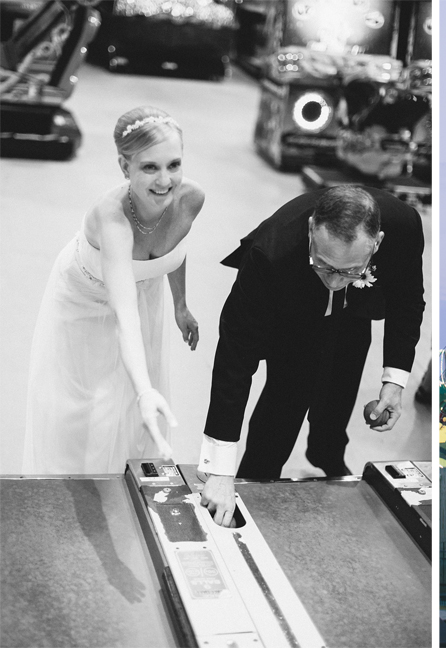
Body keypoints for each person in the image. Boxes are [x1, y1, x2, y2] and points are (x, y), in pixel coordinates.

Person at [199, 185, 425, 527]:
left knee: (342, 384)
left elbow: (408, 301)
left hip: (355, 312)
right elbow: (234, 359)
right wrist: (218, 468)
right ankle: (255, 475)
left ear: (376, 243)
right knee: (286, 396)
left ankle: (327, 452)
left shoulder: (404, 227)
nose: (334, 282)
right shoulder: (270, 254)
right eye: (324, 265)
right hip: (291, 303)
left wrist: (394, 382)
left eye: (347, 270)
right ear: (310, 230)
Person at [22, 106, 203, 474]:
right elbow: (125, 318)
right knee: (88, 407)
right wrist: (146, 391)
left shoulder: (191, 198)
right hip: (86, 300)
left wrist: (180, 305)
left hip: (142, 292)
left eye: (174, 165)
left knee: (128, 417)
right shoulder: (112, 218)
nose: (165, 181)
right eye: (149, 167)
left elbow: (173, 248)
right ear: (125, 167)